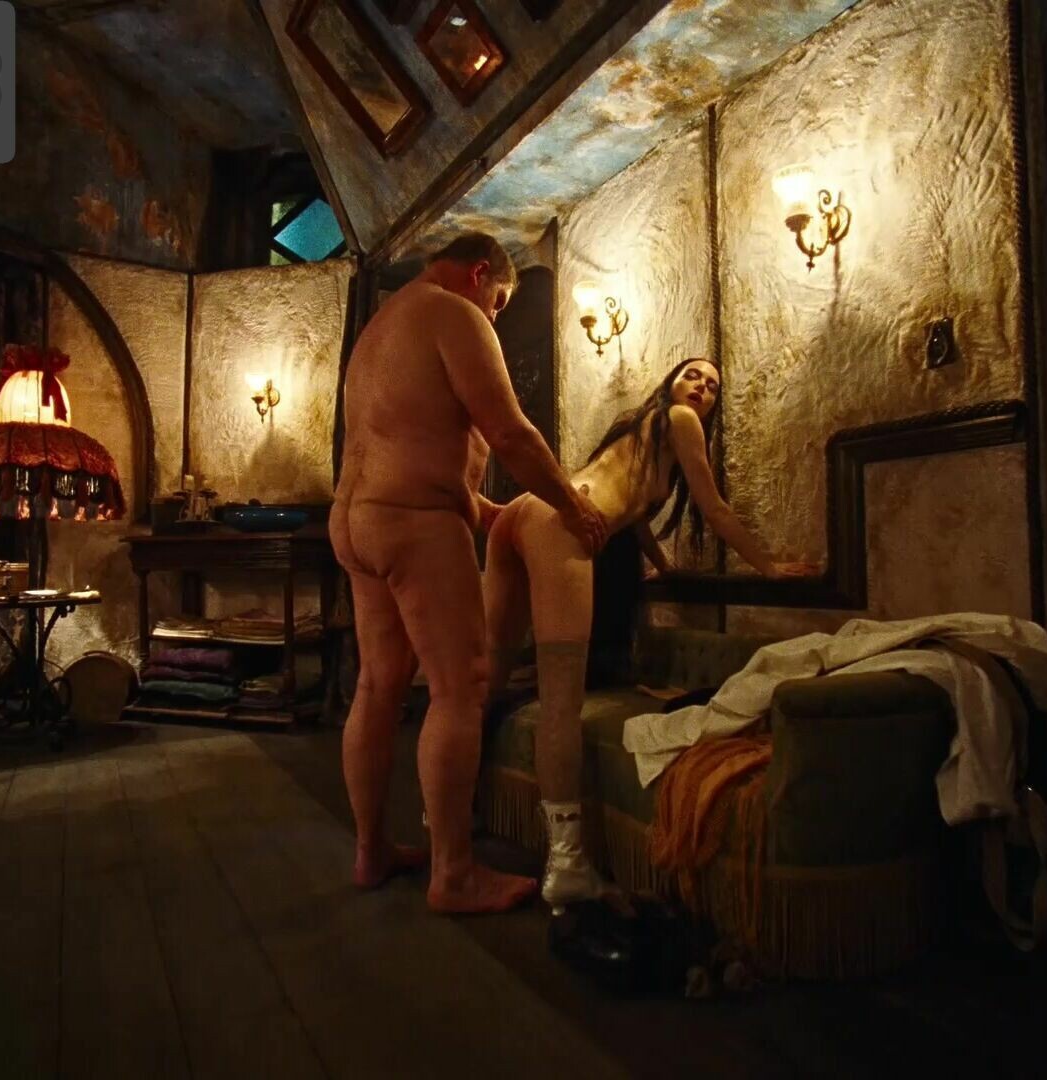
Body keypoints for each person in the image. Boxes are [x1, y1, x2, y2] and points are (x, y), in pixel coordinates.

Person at [330, 233, 609, 914]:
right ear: (481, 273)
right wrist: (573, 506)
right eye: (499, 301)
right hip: (414, 523)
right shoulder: (454, 312)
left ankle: (370, 851)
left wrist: (487, 510)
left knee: (377, 684)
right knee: (460, 688)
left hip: (356, 520)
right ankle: (453, 875)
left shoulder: (380, 328)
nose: (495, 314)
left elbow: (409, 442)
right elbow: (510, 432)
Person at [483, 356, 815, 908]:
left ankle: (444, 821)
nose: (701, 387)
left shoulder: (643, 434)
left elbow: (631, 512)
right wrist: (770, 567)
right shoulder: (679, 420)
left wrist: (661, 565)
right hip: (559, 526)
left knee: (486, 678)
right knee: (561, 704)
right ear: (670, 384)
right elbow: (714, 509)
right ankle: (566, 866)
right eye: (693, 376)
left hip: (525, 514)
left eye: (712, 385)